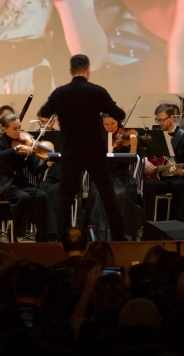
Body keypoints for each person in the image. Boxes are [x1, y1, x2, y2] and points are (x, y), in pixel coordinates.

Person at [38, 54, 130, 240]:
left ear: (71, 71)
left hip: (71, 151)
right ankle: (119, 235)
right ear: (88, 70)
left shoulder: (60, 93)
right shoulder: (97, 91)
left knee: (66, 195)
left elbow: (44, 112)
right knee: (107, 193)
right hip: (93, 150)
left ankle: (65, 235)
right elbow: (119, 113)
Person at [0, 113, 49, 241]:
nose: (18, 131)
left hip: (20, 184)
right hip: (3, 185)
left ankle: (42, 236)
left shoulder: (24, 143)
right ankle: (14, 234)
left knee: (41, 195)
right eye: (14, 128)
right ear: (5, 129)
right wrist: (15, 149)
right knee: (23, 197)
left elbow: (34, 171)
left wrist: (47, 164)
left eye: (19, 127)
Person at [141, 103, 184, 226]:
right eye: (158, 120)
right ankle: (148, 224)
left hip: (180, 178)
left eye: (162, 120)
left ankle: (179, 225)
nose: (160, 123)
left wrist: (182, 172)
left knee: (177, 185)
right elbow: (144, 152)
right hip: (163, 178)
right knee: (148, 184)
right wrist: (145, 161)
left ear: (171, 118)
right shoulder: (155, 135)